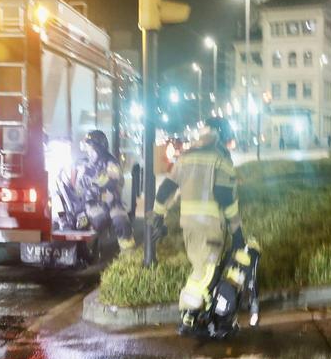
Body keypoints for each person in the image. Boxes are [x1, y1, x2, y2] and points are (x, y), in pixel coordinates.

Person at [149, 116, 244, 336]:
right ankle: (188, 317)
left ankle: (204, 313)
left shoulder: (186, 157)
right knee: (205, 273)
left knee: (203, 268)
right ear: (220, 134)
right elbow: (226, 200)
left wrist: (158, 215)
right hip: (211, 227)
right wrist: (237, 232)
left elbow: (166, 190)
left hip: (189, 227)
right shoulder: (221, 159)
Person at [74, 129, 135, 251]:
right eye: (87, 148)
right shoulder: (84, 164)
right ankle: (87, 250)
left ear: (99, 148)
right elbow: (78, 189)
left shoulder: (111, 163)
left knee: (122, 222)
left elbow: (113, 183)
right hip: (93, 205)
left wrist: (93, 175)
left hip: (113, 204)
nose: (88, 151)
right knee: (97, 220)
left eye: (91, 148)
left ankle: (128, 256)